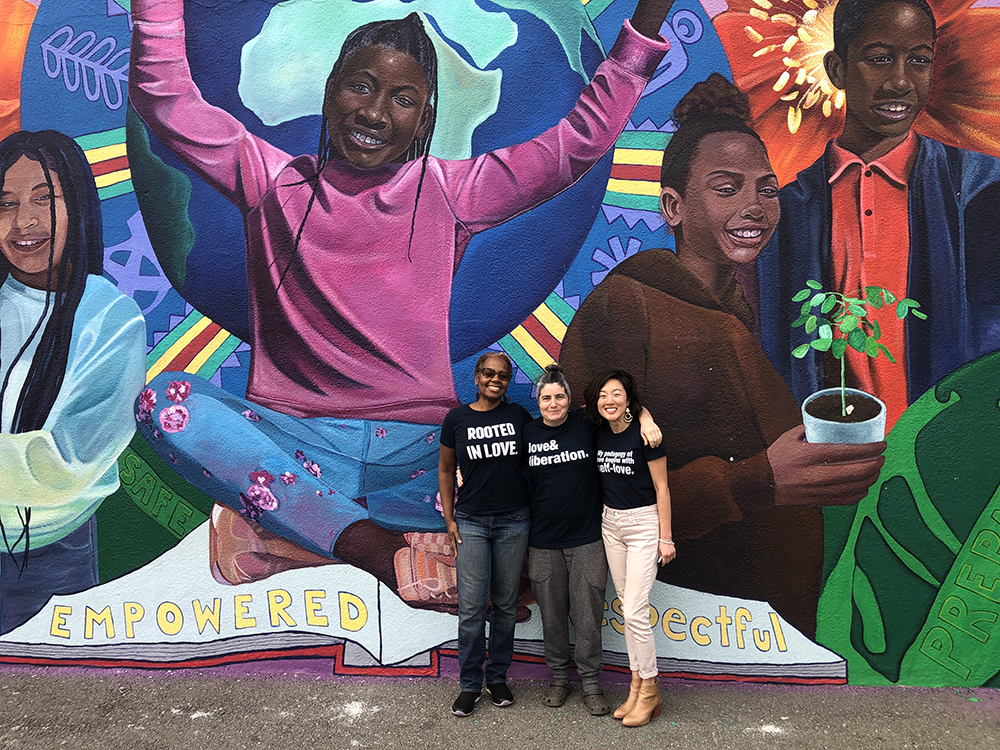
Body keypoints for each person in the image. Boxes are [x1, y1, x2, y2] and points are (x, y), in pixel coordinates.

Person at [127, 0, 676, 602]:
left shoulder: (452, 191)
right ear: (330, 91)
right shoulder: (271, 179)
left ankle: (297, 537)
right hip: (299, 443)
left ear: (425, 119)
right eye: (360, 86)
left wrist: (648, 21)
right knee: (169, 402)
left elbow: (580, 141)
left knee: (564, 439)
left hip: (422, 459)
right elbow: (167, 100)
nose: (375, 111)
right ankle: (381, 550)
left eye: (403, 99)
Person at [560, 74, 885, 638]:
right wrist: (757, 481)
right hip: (682, 626)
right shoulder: (627, 306)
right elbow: (597, 495)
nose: (755, 207)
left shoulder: (739, 313)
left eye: (767, 188)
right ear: (673, 206)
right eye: (728, 188)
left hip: (758, 632)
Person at [757, 0, 1000, 431]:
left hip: (946, 453)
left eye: (919, 60)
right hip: (829, 461)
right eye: (880, 58)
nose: (901, 81)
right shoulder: (788, 207)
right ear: (837, 70)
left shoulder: (982, 187)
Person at [0, 130, 146, 633]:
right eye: (6, 204)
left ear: (79, 205)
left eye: (45, 199)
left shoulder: (111, 319)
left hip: (51, 554)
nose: (25, 222)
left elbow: (67, 465)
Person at [524, 363, 660, 716]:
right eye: (545, 398)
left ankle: (590, 683)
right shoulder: (527, 433)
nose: (552, 404)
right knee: (552, 616)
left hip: (588, 539)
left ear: (570, 400)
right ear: (537, 402)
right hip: (542, 541)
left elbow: (619, 407)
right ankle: (558, 678)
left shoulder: (587, 425)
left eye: (559, 397)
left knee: (587, 615)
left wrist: (645, 418)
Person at [438, 352, 531, 716]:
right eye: (489, 373)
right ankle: (469, 684)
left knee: (507, 606)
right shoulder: (456, 419)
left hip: (514, 521)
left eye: (503, 376)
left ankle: (497, 677)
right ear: (476, 377)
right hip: (472, 523)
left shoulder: (519, 417)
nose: (496, 380)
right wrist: (449, 519)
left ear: (508, 382)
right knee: (473, 608)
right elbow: (446, 470)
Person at [584, 370, 672, 728]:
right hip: (611, 524)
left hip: (643, 525)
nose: (610, 400)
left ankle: (650, 688)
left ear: (628, 398)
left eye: (617, 394)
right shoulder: (600, 431)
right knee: (626, 606)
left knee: (635, 610)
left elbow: (662, 488)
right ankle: (636, 686)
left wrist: (666, 538)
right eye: (603, 395)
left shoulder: (645, 435)